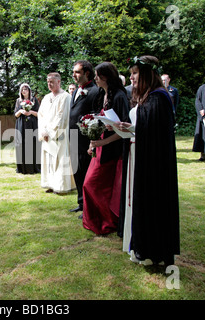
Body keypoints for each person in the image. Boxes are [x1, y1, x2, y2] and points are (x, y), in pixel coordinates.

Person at [114, 56, 180, 266]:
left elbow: (156, 134)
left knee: (151, 201)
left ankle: (152, 249)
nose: (131, 77)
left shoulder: (158, 98)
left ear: (146, 74)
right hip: (137, 155)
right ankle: (138, 245)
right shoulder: (146, 97)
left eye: (135, 73)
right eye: (131, 73)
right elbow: (143, 126)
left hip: (152, 163)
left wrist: (131, 128)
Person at [82, 62, 130, 235]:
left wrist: (103, 143)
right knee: (90, 184)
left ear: (106, 76)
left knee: (98, 186)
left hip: (113, 148)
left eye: (97, 75)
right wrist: (92, 143)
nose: (94, 78)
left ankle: (109, 221)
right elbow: (97, 122)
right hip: (100, 146)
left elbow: (125, 129)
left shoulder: (119, 96)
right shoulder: (101, 94)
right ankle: (98, 219)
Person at [69, 60, 100, 214]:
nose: (74, 75)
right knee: (77, 172)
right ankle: (81, 203)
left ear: (87, 73)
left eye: (77, 72)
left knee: (87, 175)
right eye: (74, 72)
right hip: (73, 139)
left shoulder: (95, 91)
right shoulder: (75, 91)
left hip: (85, 141)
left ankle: (89, 208)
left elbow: (95, 116)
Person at [38, 72, 75, 194]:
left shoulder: (65, 97)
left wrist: (51, 132)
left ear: (59, 82)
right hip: (46, 135)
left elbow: (62, 118)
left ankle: (60, 186)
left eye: (52, 82)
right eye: (48, 82)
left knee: (60, 160)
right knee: (48, 160)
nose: (49, 84)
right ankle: (50, 183)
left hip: (59, 134)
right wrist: (43, 131)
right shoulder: (46, 98)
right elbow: (41, 115)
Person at [14, 83, 41, 174]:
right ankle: (22, 168)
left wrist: (31, 112)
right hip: (21, 125)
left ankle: (34, 167)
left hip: (32, 125)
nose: (24, 91)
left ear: (29, 90)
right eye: (22, 89)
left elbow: (39, 114)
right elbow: (15, 115)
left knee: (33, 145)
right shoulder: (18, 101)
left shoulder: (34, 100)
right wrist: (21, 111)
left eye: (26, 89)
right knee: (22, 145)